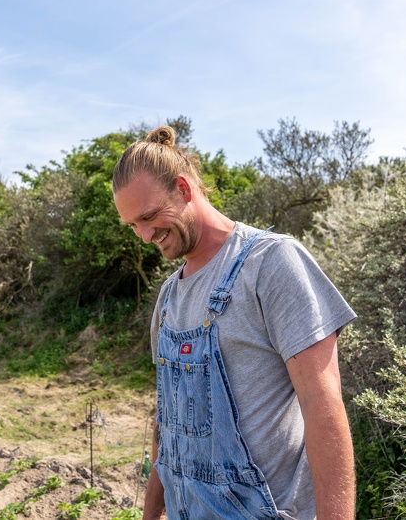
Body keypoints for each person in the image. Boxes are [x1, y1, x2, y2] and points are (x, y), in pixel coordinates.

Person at [112, 126, 356, 520]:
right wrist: (151, 513)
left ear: (184, 189)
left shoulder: (271, 264)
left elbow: (323, 408)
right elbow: (169, 425)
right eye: (132, 225)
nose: (144, 235)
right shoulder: (168, 298)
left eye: (150, 216)